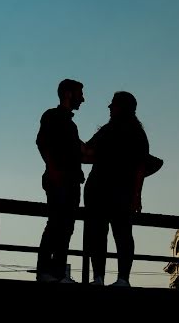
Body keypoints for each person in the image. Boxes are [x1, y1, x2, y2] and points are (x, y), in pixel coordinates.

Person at [83, 91, 149, 287]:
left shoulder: (107, 131)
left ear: (121, 107)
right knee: (122, 235)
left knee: (99, 233)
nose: (110, 108)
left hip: (99, 189)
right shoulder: (137, 134)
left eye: (113, 105)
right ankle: (122, 279)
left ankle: (99, 278)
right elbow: (141, 168)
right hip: (121, 191)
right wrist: (137, 195)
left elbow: (87, 153)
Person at [36, 78, 86, 283]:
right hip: (60, 180)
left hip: (71, 181)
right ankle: (46, 272)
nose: (83, 99)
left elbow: (83, 151)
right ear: (68, 94)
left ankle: (56, 273)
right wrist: (53, 169)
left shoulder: (70, 125)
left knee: (65, 227)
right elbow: (42, 142)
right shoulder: (53, 116)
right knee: (57, 224)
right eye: (80, 94)